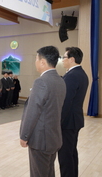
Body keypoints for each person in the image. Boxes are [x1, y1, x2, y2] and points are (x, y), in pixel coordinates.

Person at [20, 46, 66, 177]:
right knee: (48, 172)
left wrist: (24, 136)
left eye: (36, 58)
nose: (35, 62)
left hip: (41, 140)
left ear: (42, 62)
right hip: (54, 137)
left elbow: (32, 112)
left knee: (39, 174)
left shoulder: (41, 82)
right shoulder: (60, 80)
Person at [58, 47, 89, 177]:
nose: (62, 60)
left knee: (65, 156)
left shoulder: (72, 76)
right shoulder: (80, 73)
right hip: (74, 120)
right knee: (71, 153)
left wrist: (58, 122)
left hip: (68, 122)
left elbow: (66, 102)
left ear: (71, 59)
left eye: (64, 57)